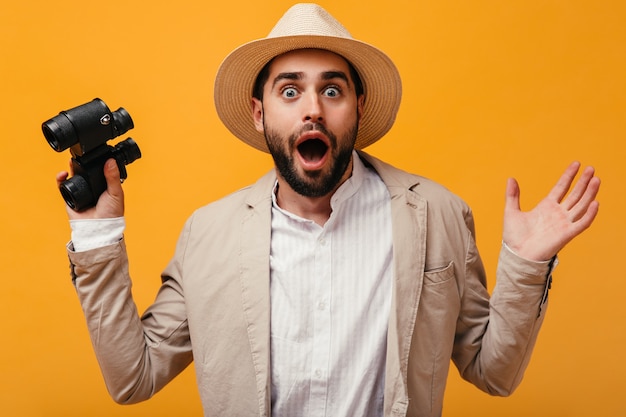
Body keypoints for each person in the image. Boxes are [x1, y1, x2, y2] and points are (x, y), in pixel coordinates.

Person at [56, 3, 600, 417]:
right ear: (259, 113)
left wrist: (524, 265)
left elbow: (494, 372)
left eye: (332, 90)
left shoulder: (436, 214)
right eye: (289, 92)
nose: (312, 109)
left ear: (358, 107)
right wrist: (98, 237)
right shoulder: (209, 233)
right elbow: (134, 377)